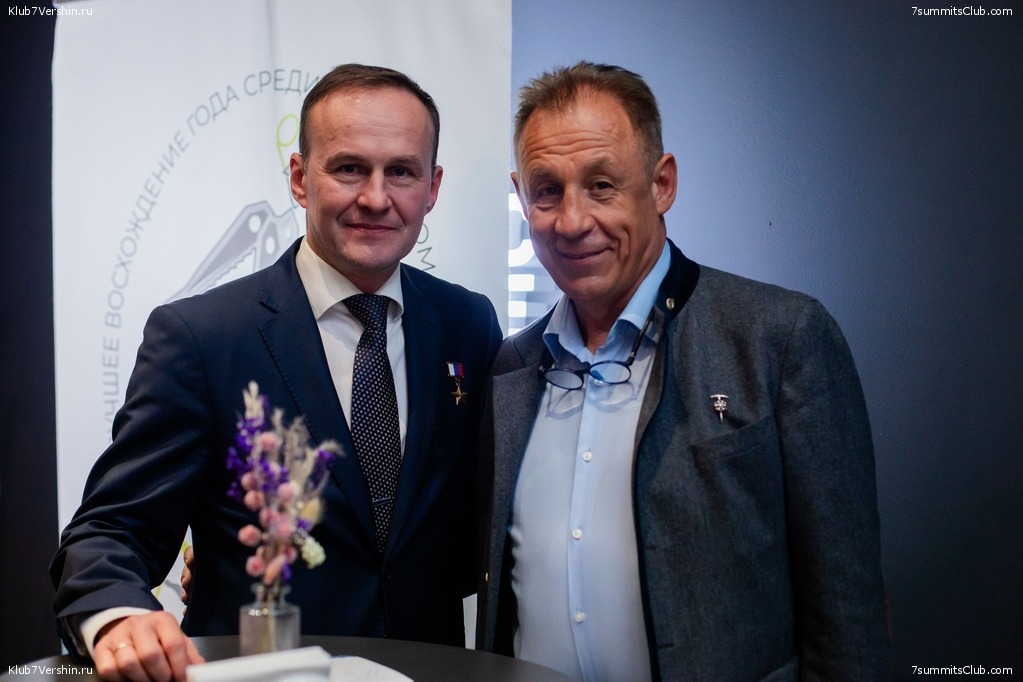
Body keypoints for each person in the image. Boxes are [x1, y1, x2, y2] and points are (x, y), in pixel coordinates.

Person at [51, 63, 502, 682]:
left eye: (401, 171)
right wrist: (119, 616)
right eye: (349, 168)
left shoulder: (468, 324)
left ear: (433, 186)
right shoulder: (203, 337)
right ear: (298, 178)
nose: (376, 198)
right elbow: (110, 531)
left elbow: (476, 523)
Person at [476, 62, 890, 681]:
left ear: (662, 183)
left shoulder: (778, 340)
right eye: (547, 191)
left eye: (601, 185)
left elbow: (848, 619)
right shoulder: (511, 368)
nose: (572, 221)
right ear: (521, 197)